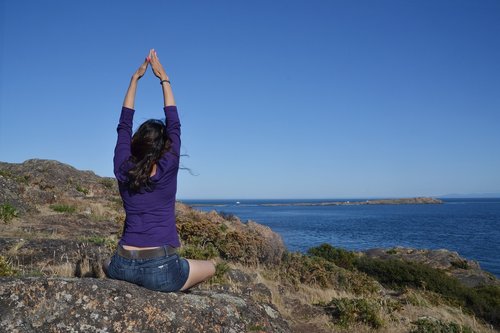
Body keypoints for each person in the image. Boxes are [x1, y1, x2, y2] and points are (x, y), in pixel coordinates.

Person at [104, 49, 215, 292]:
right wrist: (164, 77)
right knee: (211, 267)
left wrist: (134, 79)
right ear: (163, 146)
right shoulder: (167, 167)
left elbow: (124, 125)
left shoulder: (123, 166)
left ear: (136, 142)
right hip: (161, 269)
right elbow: (174, 123)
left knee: (106, 265)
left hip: (122, 265)